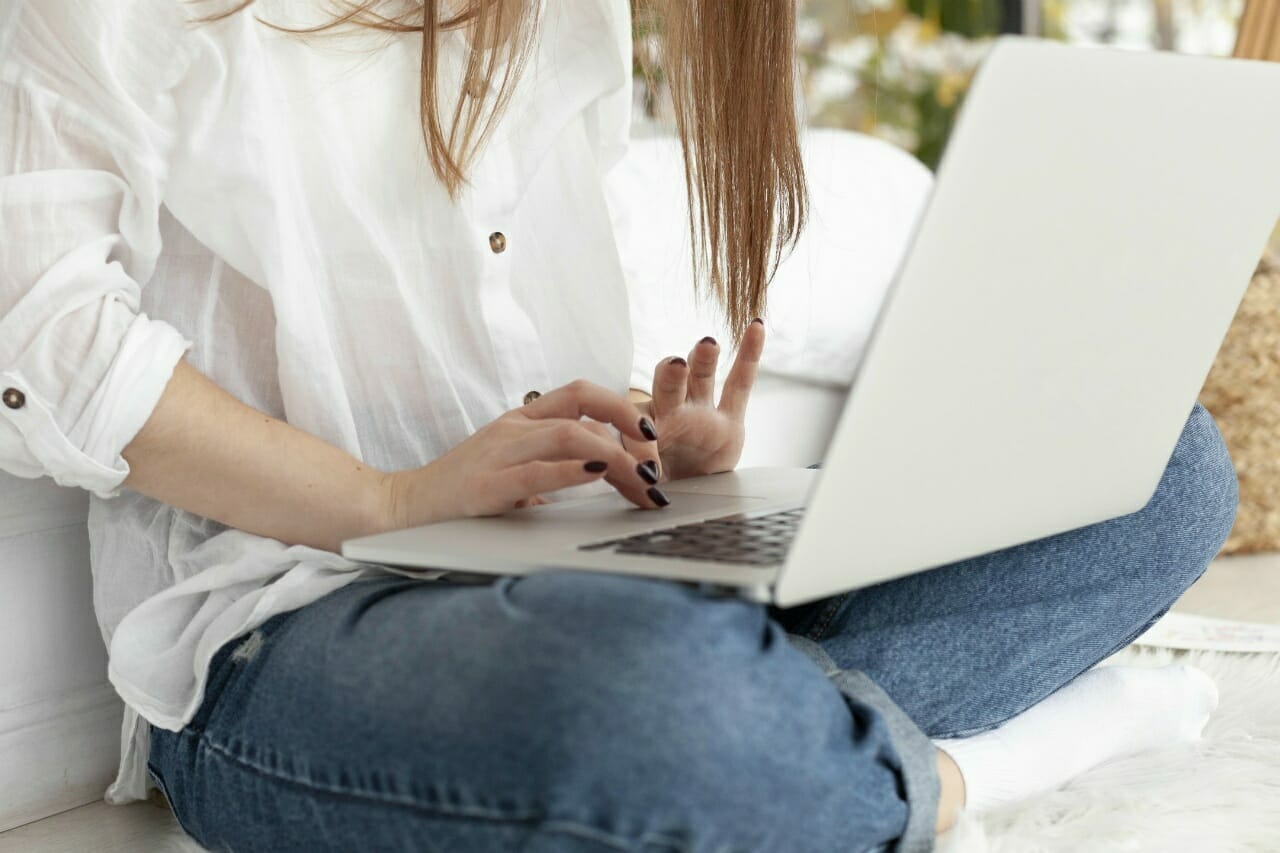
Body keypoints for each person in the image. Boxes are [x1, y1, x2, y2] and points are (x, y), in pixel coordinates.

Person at [0, 1, 1235, 850]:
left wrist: (658, 462)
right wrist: (390, 498)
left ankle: (783, 743)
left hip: (580, 571)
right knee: (655, 707)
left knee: (1156, 471)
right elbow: (41, 341)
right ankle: (962, 769)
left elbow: (510, 378)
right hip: (297, 621)